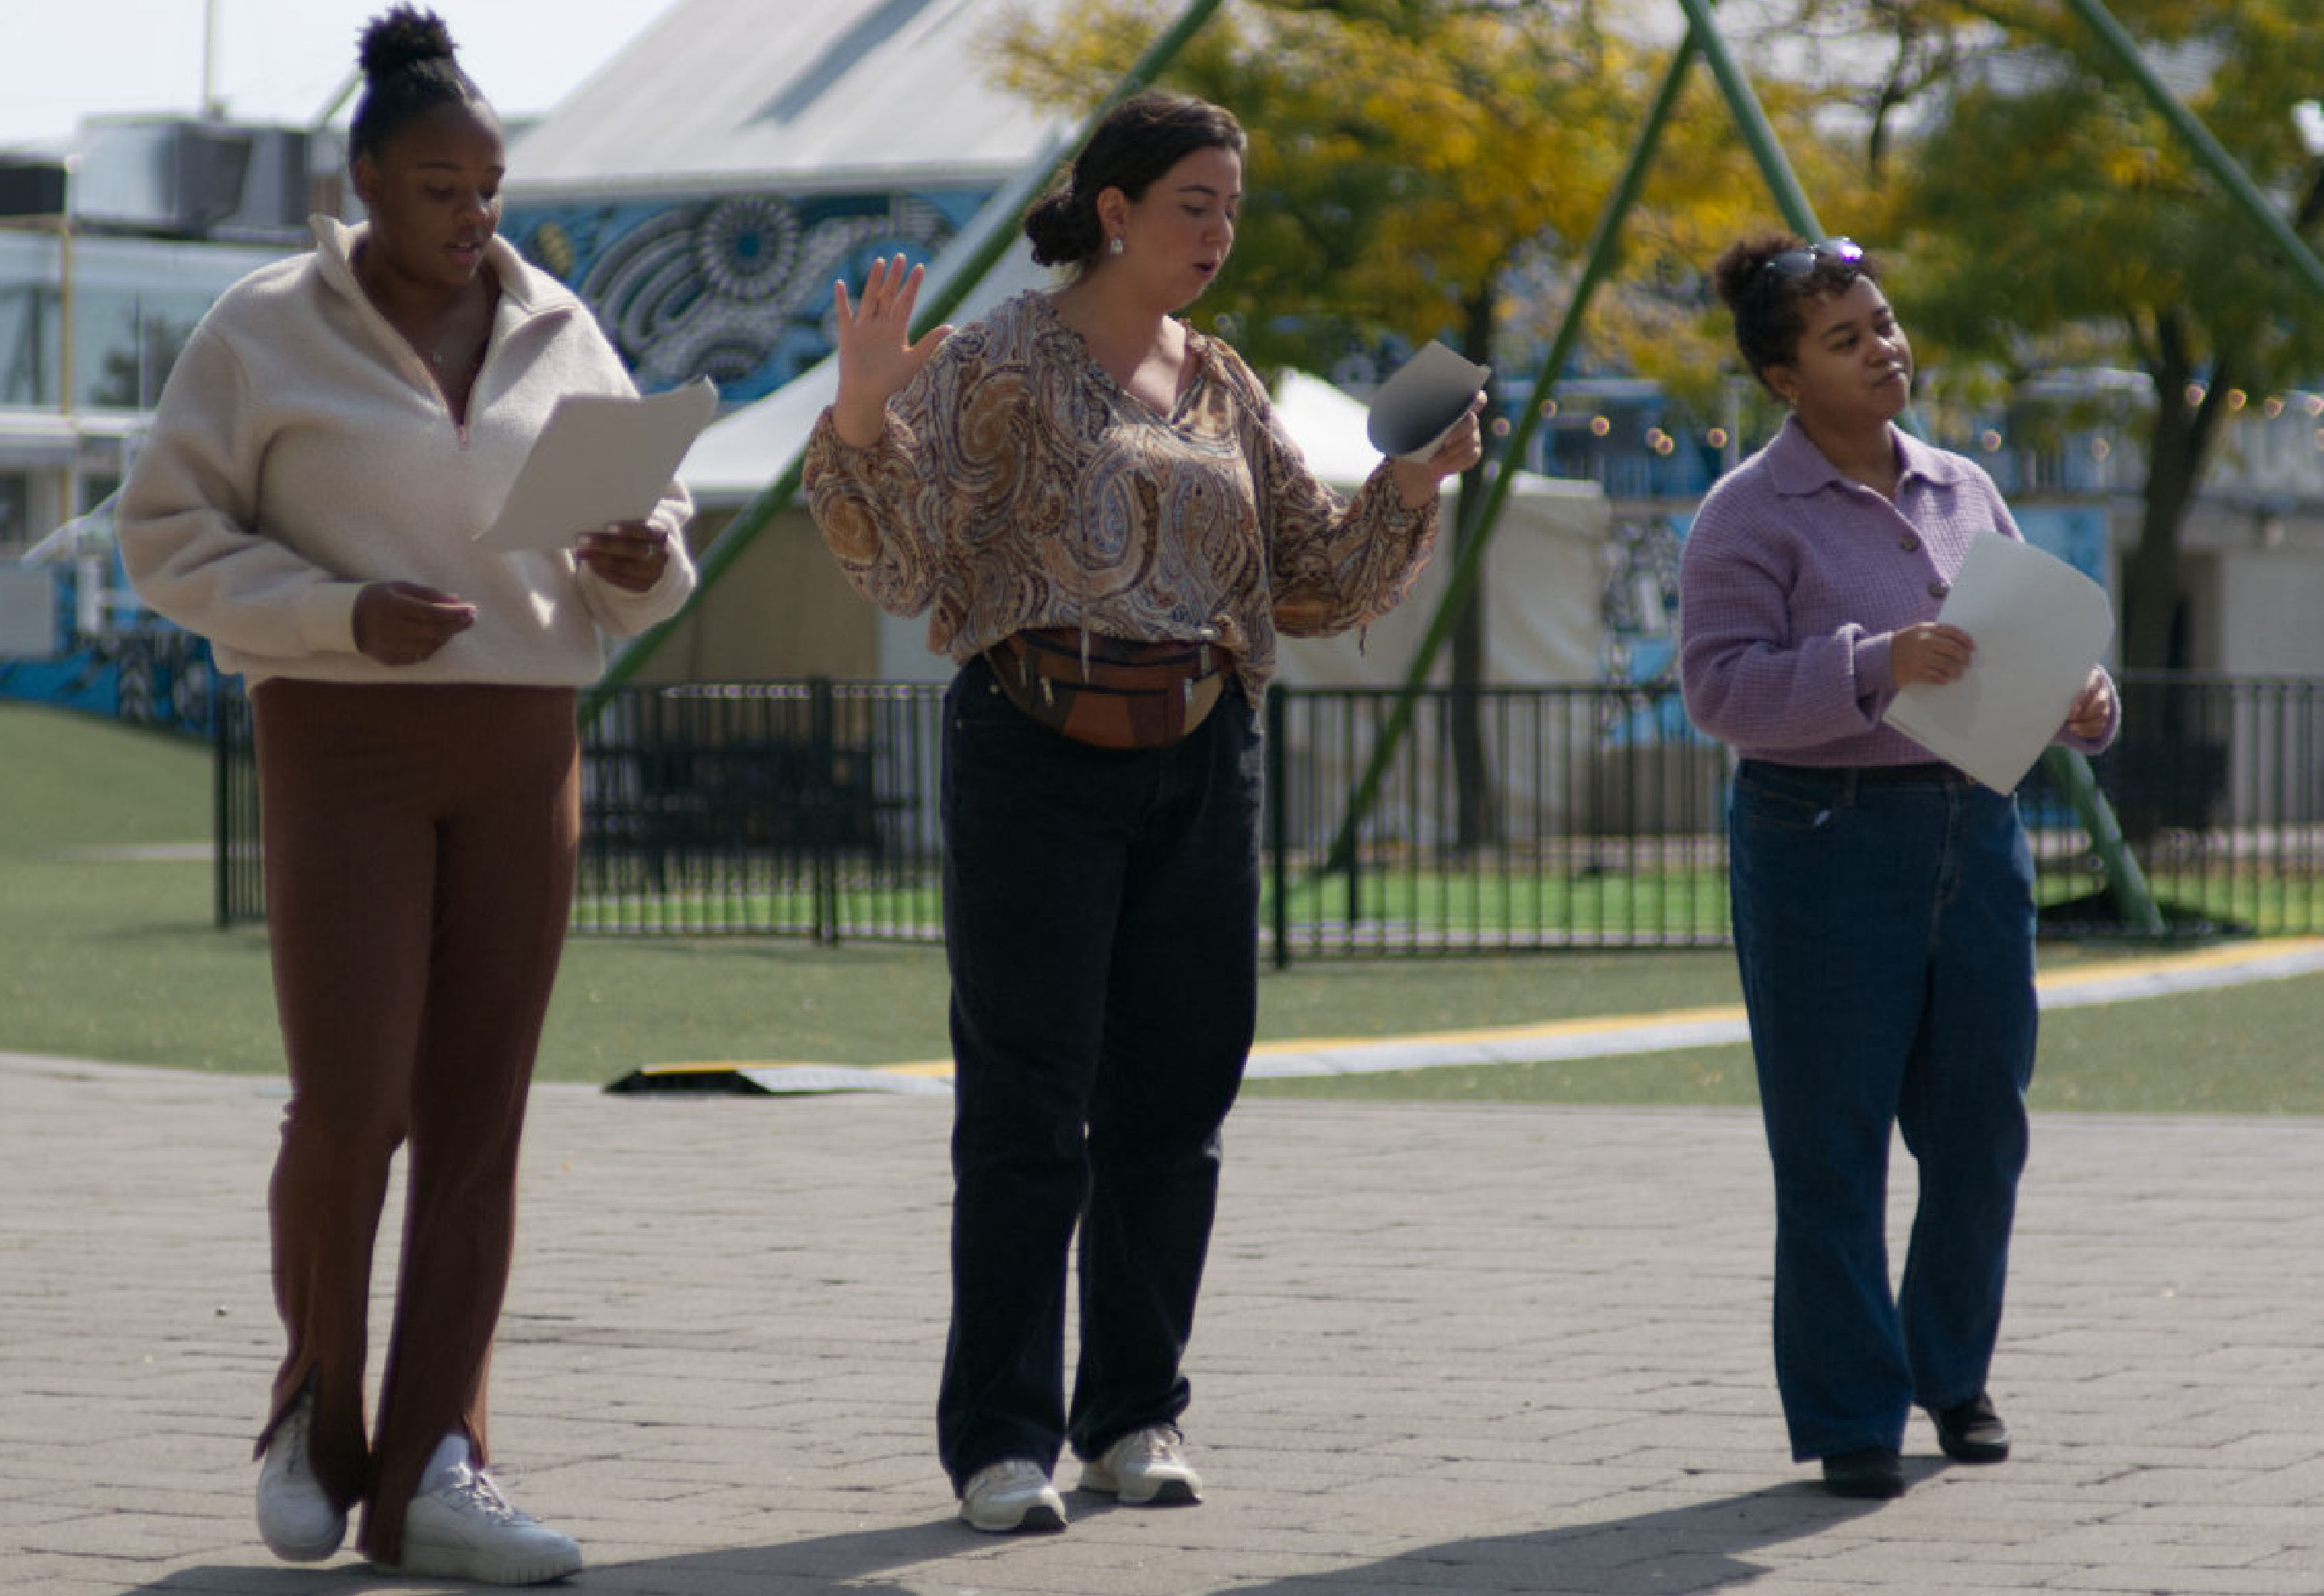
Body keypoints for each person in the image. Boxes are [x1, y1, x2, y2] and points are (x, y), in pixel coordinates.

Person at [802, 88, 1482, 1535]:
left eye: (1232, 207)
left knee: (1176, 1103)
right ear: (1112, 211)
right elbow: (899, 555)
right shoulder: (993, 357)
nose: (1220, 231)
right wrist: (863, 403)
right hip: (1031, 752)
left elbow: (1311, 575)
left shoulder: (1227, 381)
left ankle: (1134, 1414)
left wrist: (1410, 484)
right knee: (1029, 1106)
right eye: (1195, 204)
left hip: (1202, 753)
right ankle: (1000, 1441)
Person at [118, 7, 693, 1581]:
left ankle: (441, 1462)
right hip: (344, 738)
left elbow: (647, 525)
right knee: (353, 1102)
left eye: (491, 185)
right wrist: (337, 614)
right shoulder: (260, 329)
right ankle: (316, 1413)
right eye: (441, 186)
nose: (473, 216)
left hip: (523, 743)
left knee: (479, 1119)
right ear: (366, 177)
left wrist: (642, 558)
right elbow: (163, 538)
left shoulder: (561, 323)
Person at [1677, 232, 2119, 1501]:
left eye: (1881, 324)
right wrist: (1873, 662)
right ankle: (1848, 1414)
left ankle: (1951, 1375)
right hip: (1819, 842)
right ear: (1780, 378)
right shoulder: (1742, 516)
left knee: (1980, 1130)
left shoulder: (1963, 487)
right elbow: (1718, 691)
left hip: (1973, 835)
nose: (1883, 348)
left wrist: (2081, 702)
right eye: (1844, 338)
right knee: (1830, 1147)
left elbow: (2019, 653)